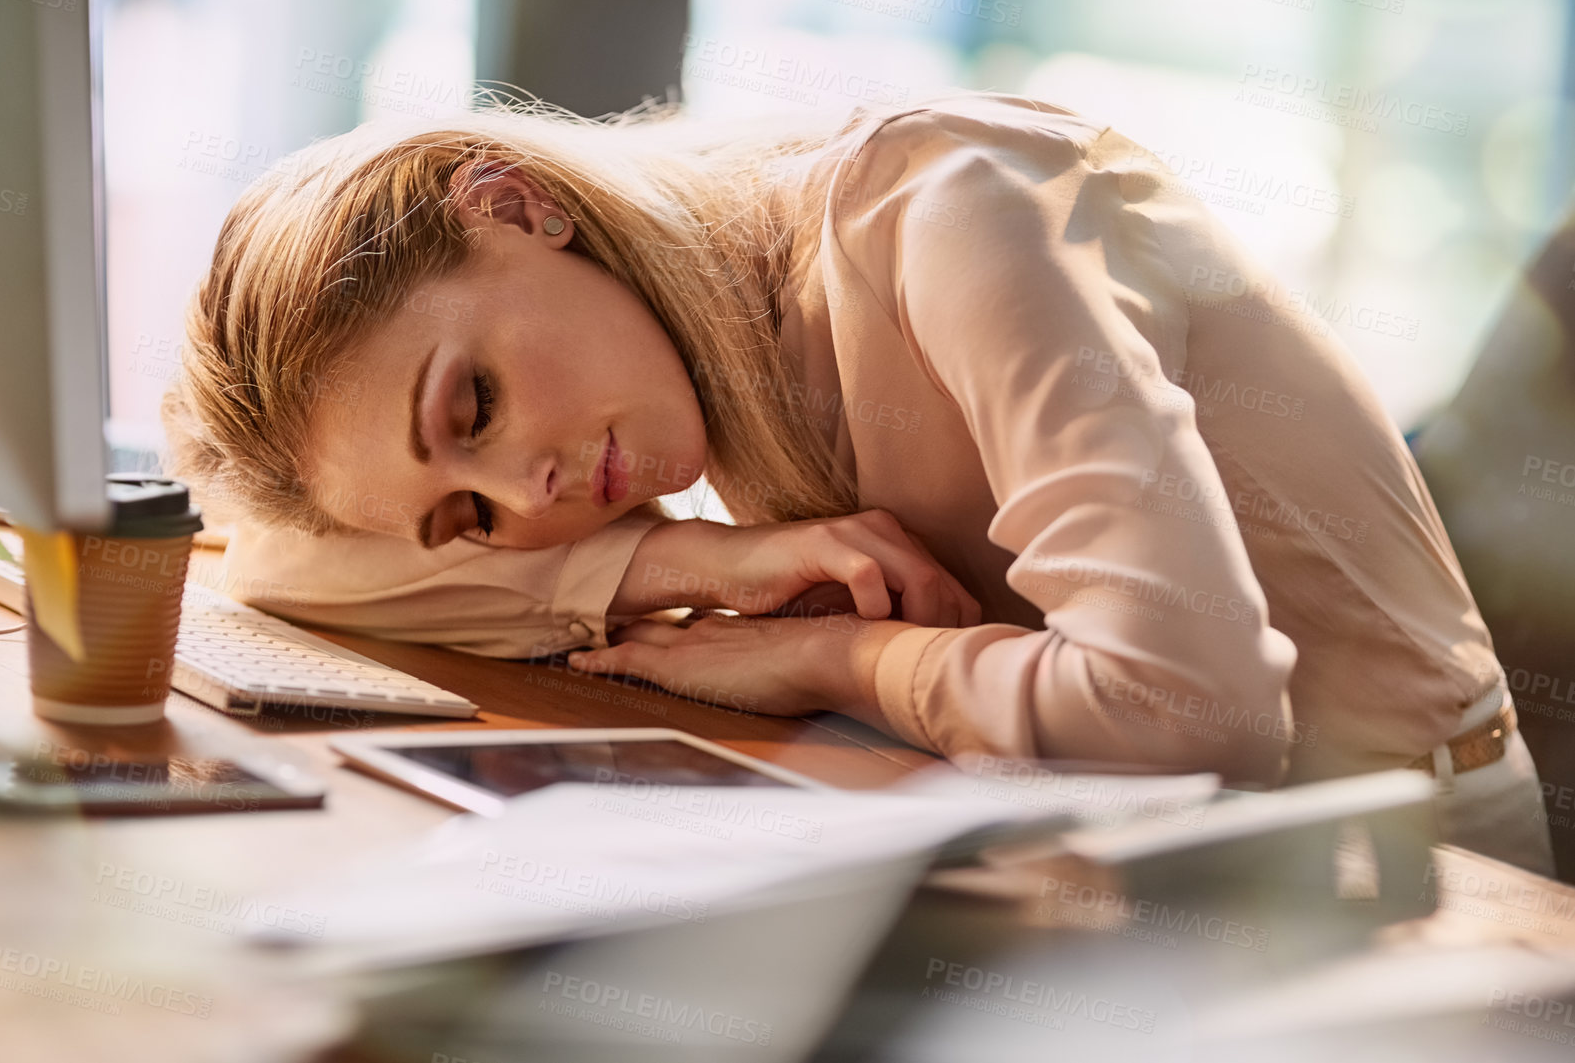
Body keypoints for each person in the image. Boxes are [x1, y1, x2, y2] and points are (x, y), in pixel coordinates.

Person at [163, 91, 1553, 873]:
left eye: (470, 403)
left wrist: (839, 654)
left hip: (1403, 864)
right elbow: (271, 560)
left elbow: (1192, 712)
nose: (527, 502)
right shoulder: (704, 356)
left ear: (521, 204)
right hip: (1110, 848)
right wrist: (687, 569)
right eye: (464, 519)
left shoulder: (951, 208)